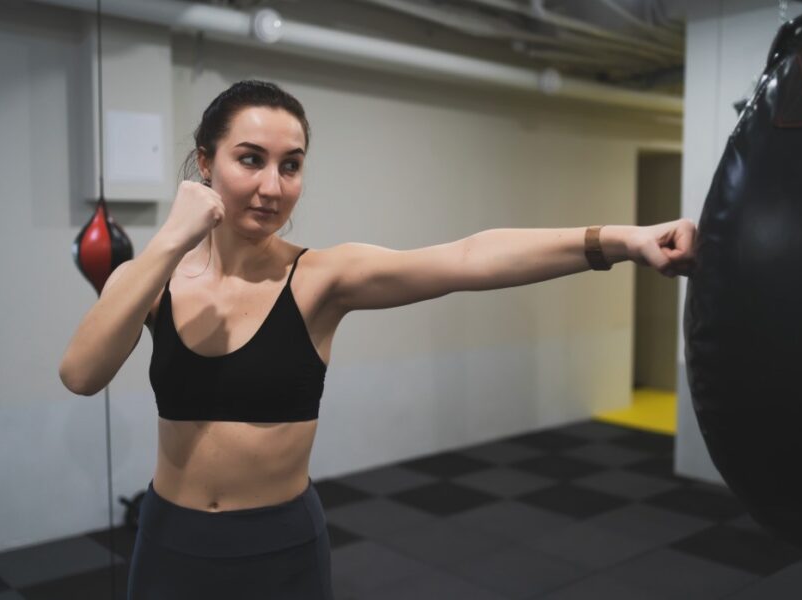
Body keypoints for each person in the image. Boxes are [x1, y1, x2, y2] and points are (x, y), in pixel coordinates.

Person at [58, 79, 696, 599]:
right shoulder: (148, 279)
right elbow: (81, 375)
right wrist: (169, 241)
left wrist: (623, 240)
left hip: (279, 545)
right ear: (205, 162)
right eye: (250, 159)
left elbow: (470, 257)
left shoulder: (322, 278)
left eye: (292, 165)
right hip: (170, 541)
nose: (272, 187)